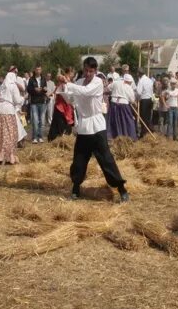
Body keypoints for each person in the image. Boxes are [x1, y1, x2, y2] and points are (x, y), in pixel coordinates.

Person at [61, 57, 130, 203]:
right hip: (84, 126)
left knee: (106, 160)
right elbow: (71, 100)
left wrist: (68, 84)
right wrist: (63, 87)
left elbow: (85, 92)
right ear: (83, 68)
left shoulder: (97, 82)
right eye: (86, 70)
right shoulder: (79, 82)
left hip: (97, 126)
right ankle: (75, 188)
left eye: (91, 71)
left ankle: (121, 189)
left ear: (95, 71)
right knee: (79, 159)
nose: (88, 73)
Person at [0, 70, 24, 164]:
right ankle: (7, 157)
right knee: (9, 135)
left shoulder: (2, 86)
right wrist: (23, 98)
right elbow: (17, 100)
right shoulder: (13, 86)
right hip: (8, 112)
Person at [107, 73, 137, 140]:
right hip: (124, 105)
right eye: (130, 82)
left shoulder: (115, 83)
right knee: (127, 120)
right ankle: (129, 137)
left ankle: (114, 136)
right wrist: (134, 103)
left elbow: (108, 88)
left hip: (113, 103)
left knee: (115, 120)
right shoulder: (129, 87)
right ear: (127, 81)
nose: (130, 84)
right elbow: (132, 100)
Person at [48, 68, 75, 141]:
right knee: (59, 122)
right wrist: (64, 79)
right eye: (73, 73)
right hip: (60, 105)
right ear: (70, 72)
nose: (74, 75)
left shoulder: (70, 82)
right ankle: (57, 138)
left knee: (67, 122)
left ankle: (66, 138)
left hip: (67, 105)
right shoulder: (63, 79)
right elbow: (58, 77)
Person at [27, 65, 47, 143]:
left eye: (39, 69)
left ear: (41, 70)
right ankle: (34, 137)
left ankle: (40, 136)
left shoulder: (43, 79)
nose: (38, 71)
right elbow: (28, 89)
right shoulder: (31, 79)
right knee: (35, 120)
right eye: (37, 69)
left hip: (42, 101)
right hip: (34, 102)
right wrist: (34, 89)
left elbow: (45, 88)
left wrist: (44, 89)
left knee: (42, 120)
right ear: (35, 70)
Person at [135, 71, 154, 138]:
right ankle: (148, 133)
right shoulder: (150, 80)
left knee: (143, 118)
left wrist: (137, 98)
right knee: (148, 118)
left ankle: (143, 134)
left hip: (144, 100)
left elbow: (139, 92)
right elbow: (152, 91)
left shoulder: (141, 81)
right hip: (150, 100)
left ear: (139, 73)